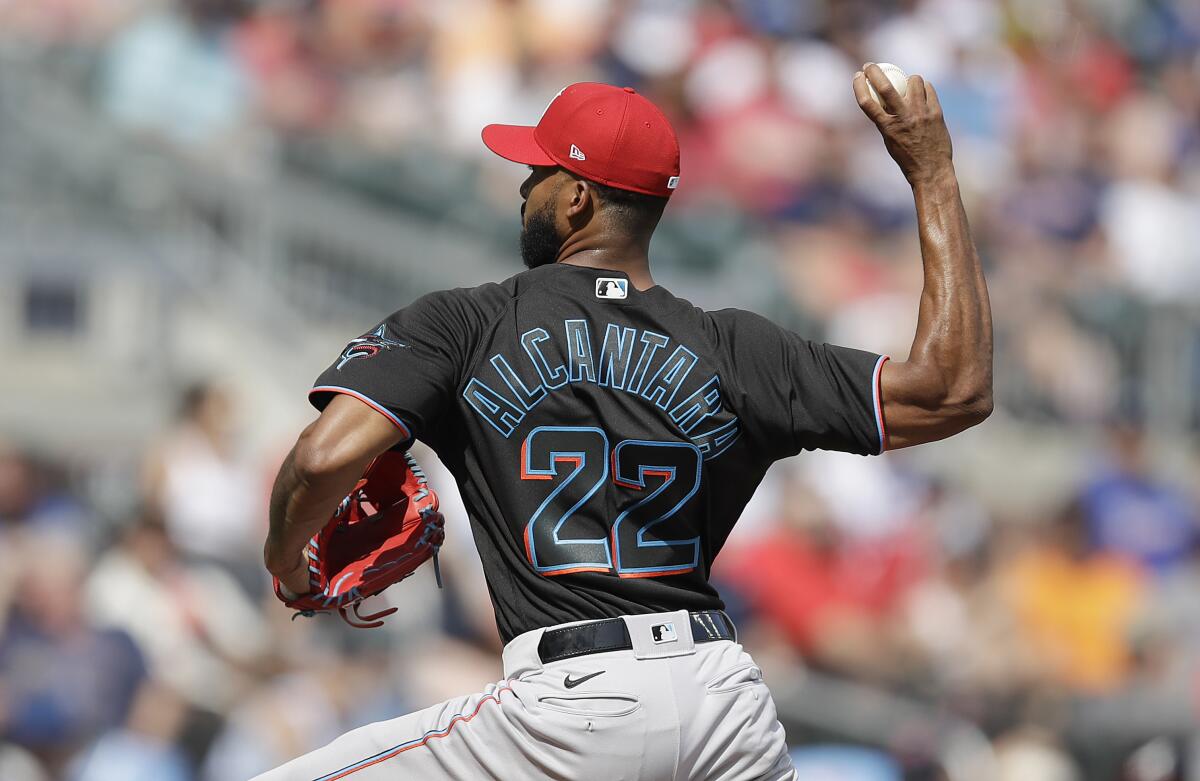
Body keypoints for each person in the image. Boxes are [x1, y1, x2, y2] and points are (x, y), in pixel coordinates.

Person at [258, 68, 992, 780]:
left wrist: (288, 561)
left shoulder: (467, 323)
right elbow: (953, 390)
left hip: (572, 705)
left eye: (536, 172)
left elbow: (323, 459)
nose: (522, 186)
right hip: (721, 703)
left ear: (576, 198)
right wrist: (933, 172)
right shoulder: (737, 347)